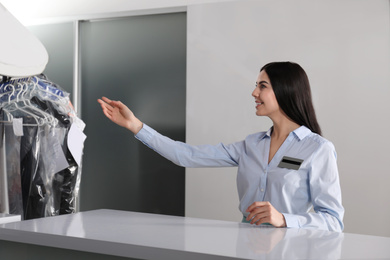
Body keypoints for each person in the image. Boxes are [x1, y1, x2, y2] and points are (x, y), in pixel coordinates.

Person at [98, 61, 344, 232]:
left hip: (290, 251)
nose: (254, 93)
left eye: (262, 86)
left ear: (285, 90)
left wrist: (283, 219)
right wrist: (136, 125)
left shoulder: (317, 149)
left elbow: (333, 221)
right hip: (245, 246)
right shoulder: (251, 145)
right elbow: (185, 155)